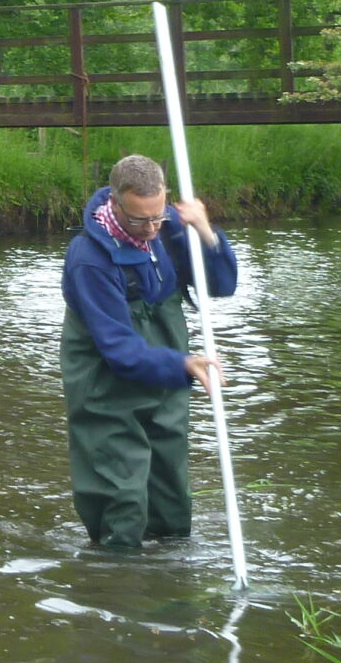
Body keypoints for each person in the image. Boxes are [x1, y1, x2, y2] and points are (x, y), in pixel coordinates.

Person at [57, 154, 238, 551]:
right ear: (115, 203)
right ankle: (115, 583)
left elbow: (222, 285)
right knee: (120, 495)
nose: (151, 229)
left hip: (167, 381)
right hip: (106, 388)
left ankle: (171, 575)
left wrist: (206, 233)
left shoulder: (169, 231)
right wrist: (184, 364)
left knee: (170, 492)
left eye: (158, 216)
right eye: (139, 220)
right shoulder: (89, 258)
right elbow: (117, 346)